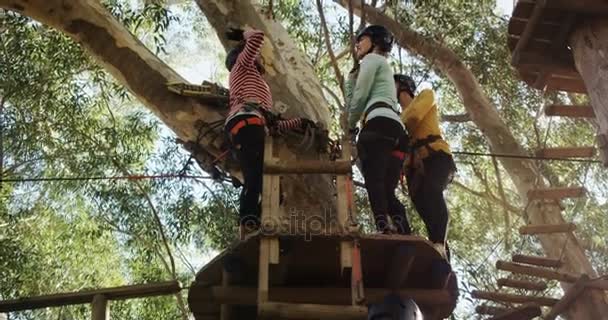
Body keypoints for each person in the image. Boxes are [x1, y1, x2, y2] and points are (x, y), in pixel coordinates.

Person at [224, 28, 314, 239]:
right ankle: (247, 221)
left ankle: (257, 222)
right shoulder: (241, 67)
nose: (257, 56)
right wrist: (244, 33)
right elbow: (257, 37)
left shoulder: (257, 86)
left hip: (254, 125)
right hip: (245, 123)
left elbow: (273, 127)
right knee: (254, 177)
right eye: (252, 53)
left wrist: (299, 122)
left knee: (276, 192)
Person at [346, 25, 409, 234]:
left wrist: (349, 125)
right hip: (397, 133)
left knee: (374, 181)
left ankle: (384, 228)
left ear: (375, 41)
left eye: (361, 40)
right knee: (387, 192)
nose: (357, 45)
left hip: (378, 126)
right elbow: (356, 94)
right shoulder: (384, 66)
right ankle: (404, 232)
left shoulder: (372, 60)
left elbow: (360, 97)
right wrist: (350, 82)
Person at [394, 74, 457, 259]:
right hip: (415, 167)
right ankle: (441, 255)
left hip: (436, 156)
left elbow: (413, 117)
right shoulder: (397, 117)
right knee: (424, 208)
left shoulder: (425, 95)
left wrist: (395, 128)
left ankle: (439, 243)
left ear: (404, 86)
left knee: (432, 191)